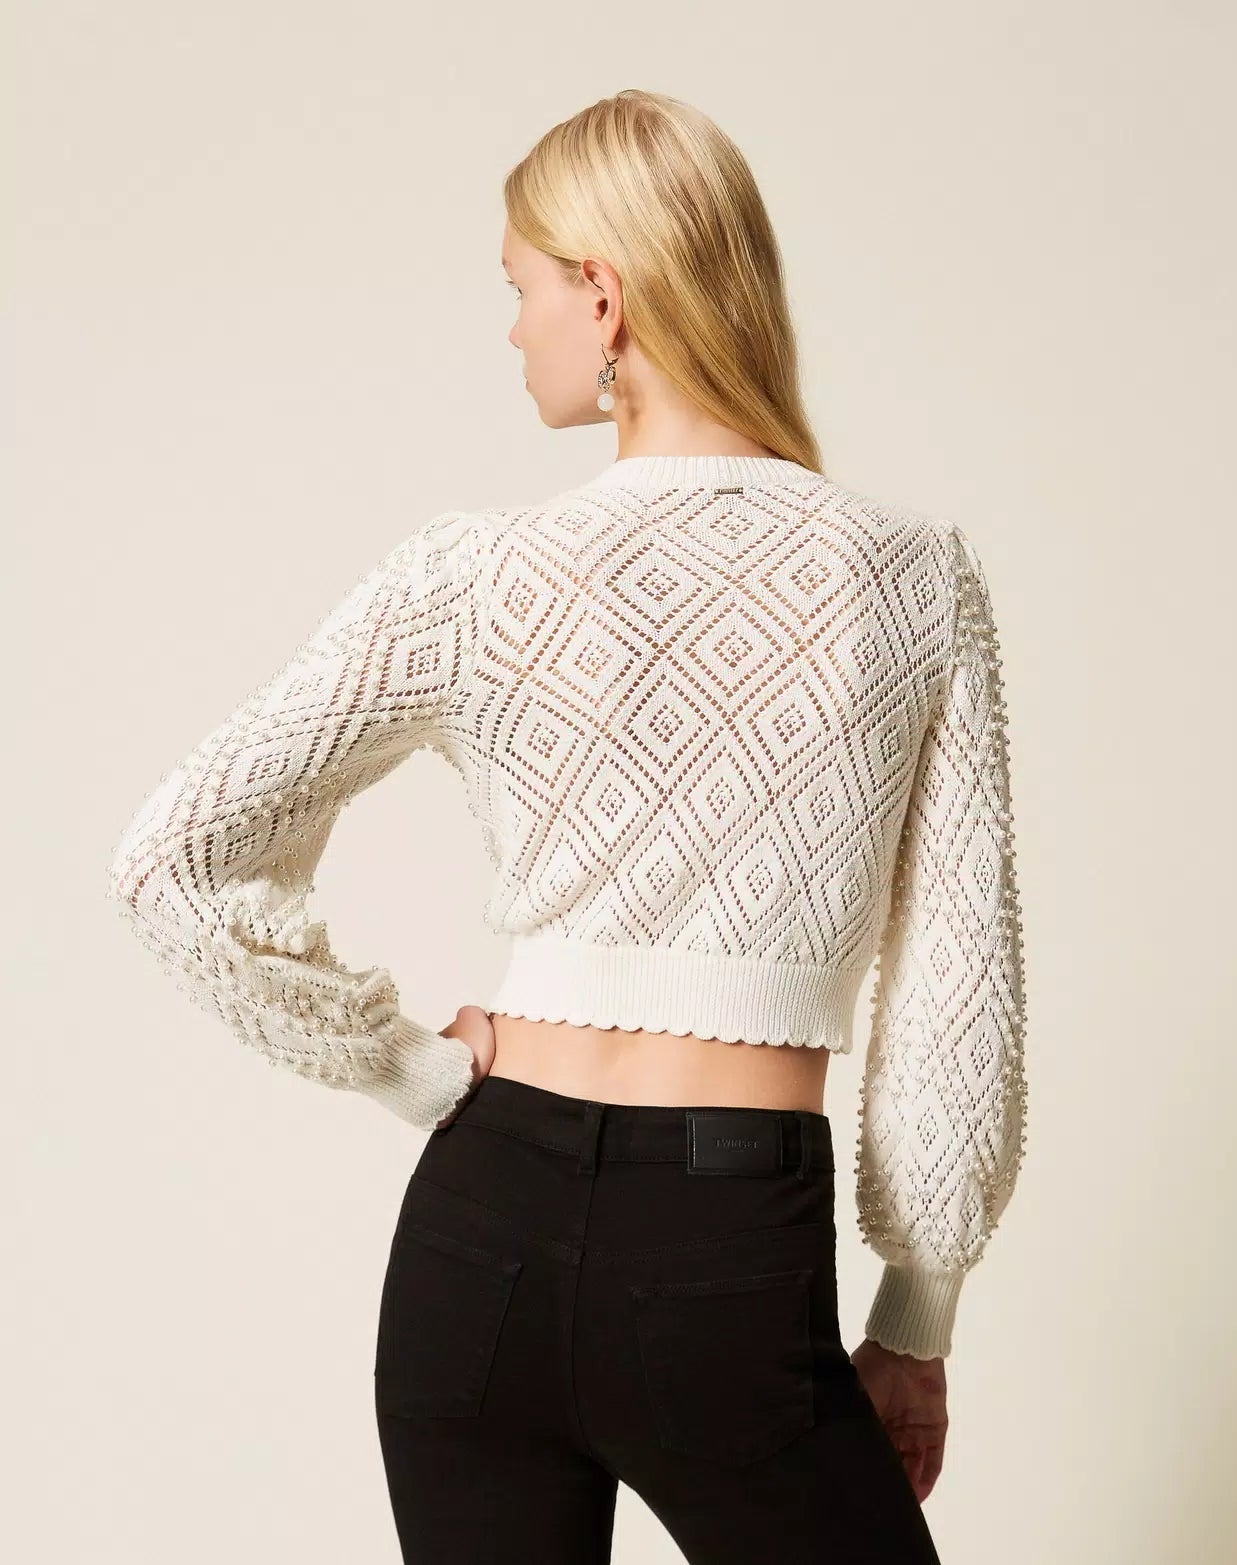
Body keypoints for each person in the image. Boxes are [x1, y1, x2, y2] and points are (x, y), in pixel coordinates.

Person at [106, 88, 1028, 1564]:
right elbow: (957, 991)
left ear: (602, 296)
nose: (512, 326)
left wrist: (411, 1071)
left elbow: (175, 857)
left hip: (479, 1238)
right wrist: (915, 1315)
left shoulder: (475, 575)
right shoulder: (907, 576)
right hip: (726, 1242)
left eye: (519, 285)